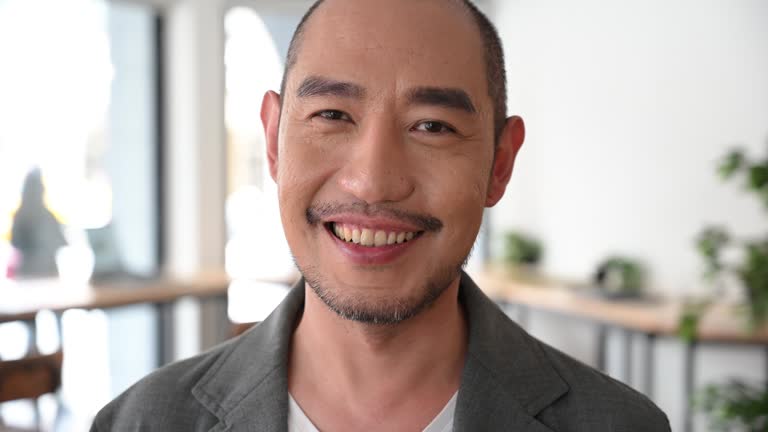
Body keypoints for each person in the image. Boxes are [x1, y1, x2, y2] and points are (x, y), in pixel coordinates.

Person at [91, 0, 670, 430]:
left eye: (433, 126)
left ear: (499, 164)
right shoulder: (141, 422)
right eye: (332, 115)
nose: (372, 180)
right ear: (273, 142)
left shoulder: (620, 425)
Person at [10, 168, 67, 278]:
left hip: (35, 272)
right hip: (37, 273)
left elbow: (15, 242)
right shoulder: (47, 216)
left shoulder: (21, 215)